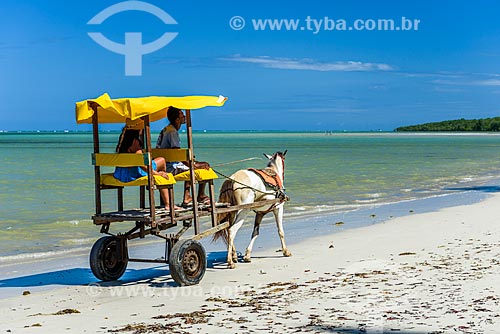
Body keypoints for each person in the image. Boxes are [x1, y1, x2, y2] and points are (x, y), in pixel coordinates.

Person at [114, 128, 181, 210]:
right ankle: (167, 203)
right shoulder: (135, 142)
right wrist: (155, 173)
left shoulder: (123, 141)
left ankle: (165, 198)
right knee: (162, 162)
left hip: (121, 173)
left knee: (160, 164)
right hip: (133, 173)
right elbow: (141, 164)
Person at [156, 106, 211, 207]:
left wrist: (191, 162)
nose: (184, 116)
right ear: (177, 119)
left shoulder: (167, 129)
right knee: (204, 169)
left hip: (167, 163)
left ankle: (188, 195)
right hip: (169, 166)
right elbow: (176, 153)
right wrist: (194, 164)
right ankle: (199, 195)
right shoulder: (172, 132)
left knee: (188, 165)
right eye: (182, 115)